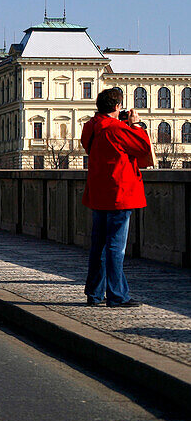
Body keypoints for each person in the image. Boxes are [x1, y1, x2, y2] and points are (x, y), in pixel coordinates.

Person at [81, 88, 152, 308]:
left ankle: (94, 294)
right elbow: (143, 147)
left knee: (99, 245)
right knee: (115, 247)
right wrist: (137, 125)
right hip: (120, 193)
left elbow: (88, 147)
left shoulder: (90, 127)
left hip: (98, 192)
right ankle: (117, 295)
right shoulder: (116, 128)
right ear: (117, 107)